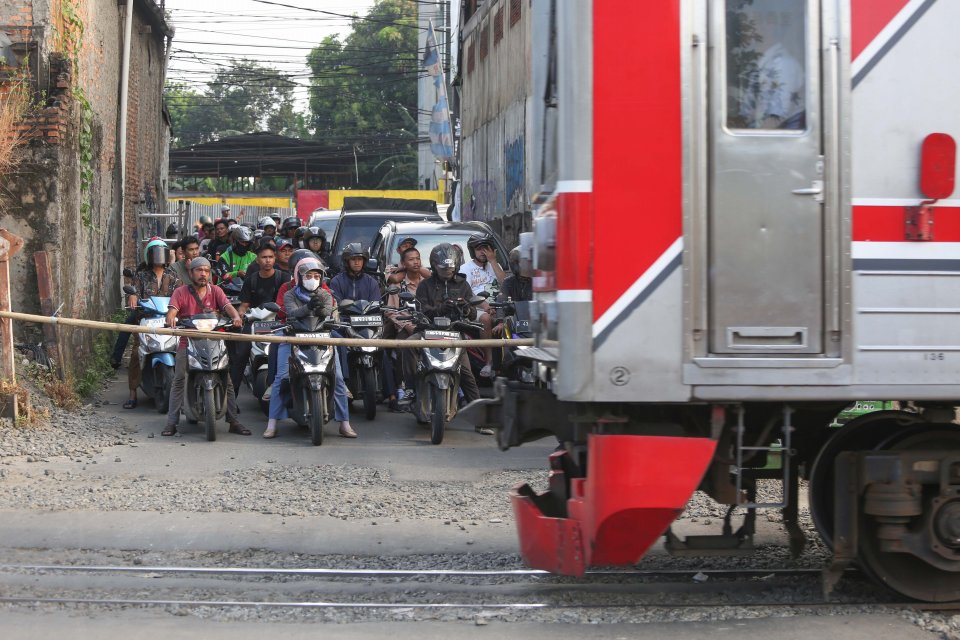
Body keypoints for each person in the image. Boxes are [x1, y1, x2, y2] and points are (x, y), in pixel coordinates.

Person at [264, 258, 355, 439]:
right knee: (281, 377)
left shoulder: (325, 294)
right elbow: (291, 313)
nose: (312, 279)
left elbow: (327, 312)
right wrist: (308, 307)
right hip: (293, 336)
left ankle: (345, 423)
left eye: (316, 276)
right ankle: (272, 423)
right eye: (308, 276)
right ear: (299, 276)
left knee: (337, 378)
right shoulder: (290, 294)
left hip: (322, 336)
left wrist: (320, 308)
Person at [162, 257, 249, 437]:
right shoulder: (181, 292)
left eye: (206, 271)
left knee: (227, 379)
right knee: (178, 379)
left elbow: (228, 307)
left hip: (214, 341)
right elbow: (172, 310)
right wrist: (171, 317)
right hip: (189, 341)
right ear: (191, 273)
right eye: (199, 270)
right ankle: (172, 422)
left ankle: (233, 420)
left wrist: (236, 317)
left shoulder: (216, 290)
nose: (203, 274)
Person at [406, 243, 481, 406]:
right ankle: (411, 388)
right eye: (443, 269)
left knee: (467, 374)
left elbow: (473, 314)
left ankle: (481, 418)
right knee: (408, 345)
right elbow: (421, 309)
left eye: (450, 269)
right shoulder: (425, 285)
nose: (447, 272)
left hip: (455, 334)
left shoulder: (463, 284)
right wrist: (440, 309)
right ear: (434, 267)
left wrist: (466, 308)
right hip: (429, 332)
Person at [123, 239, 180, 409]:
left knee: (184, 350)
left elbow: (180, 295)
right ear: (149, 256)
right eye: (155, 253)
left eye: (161, 253)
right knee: (135, 352)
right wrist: (132, 297)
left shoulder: (173, 276)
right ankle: (132, 393)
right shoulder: (140, 276)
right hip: (146, 319)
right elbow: (133, 292)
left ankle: (183, 393)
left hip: (168, 320)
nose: (158, 257)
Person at [231, 242, 291, 396]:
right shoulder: (251, 280)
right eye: (264, 257)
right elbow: (244, 304)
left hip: (280, 323)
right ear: (257, 260)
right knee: (240, 355)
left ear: (275, 258)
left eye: (271, 257)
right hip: (255, 322)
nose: (267, 260)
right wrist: (240, 315)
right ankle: (232, 398)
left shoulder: (284, 278)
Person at [384, 246, 425, 411]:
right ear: (403, 263)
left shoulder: (427, 282)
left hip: (427, 326)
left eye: (417, 258)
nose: (415, 262)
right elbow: (390, 311)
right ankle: (404, 388)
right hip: (405, 326)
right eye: (411, 259)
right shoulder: (398, 284)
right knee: (403, 347)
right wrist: (406, 325)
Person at [459, 233, 505, 378]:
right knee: (485, 319)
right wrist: (484, 305)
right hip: (477, 307)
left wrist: (493, 261)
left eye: (487, 248)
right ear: (473, 251)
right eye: (479, 249)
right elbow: (467, 293)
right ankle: (489, 361)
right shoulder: (465, 268)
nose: (483, 252)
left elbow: (505, 284)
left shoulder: (495, 266)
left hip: (499, 306)